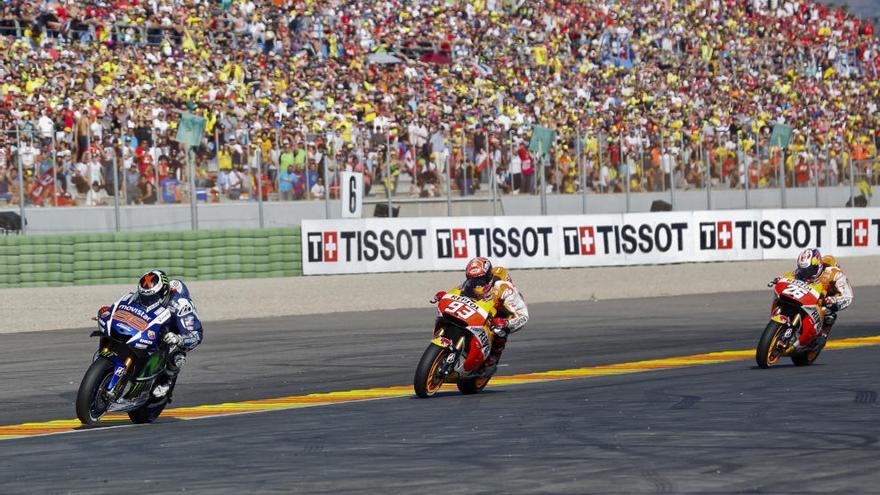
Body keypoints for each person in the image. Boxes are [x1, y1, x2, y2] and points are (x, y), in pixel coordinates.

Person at [97, 270, 203, 399]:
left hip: (172, 330)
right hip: (149, 324)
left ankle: (167, 379)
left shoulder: (180, 305)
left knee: (176, 354)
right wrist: (108, 313)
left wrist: (179, 338)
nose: (147, 300)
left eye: (151, 298)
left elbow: (196, 334)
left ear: (163, 293)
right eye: (144, 297)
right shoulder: (138, 296)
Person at [432, 257, 529, 374]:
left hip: (499, 316)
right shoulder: (469, 284)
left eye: (480, 279)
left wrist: (506, 323)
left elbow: (523, 316)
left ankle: (490, 362)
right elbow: (458, 292)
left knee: (500, 332)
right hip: (476, 311)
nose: (476, 282)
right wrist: (445, 295)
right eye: (472, 279)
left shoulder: (504, 289)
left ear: (488, 276)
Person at [769, 248, 854, 349]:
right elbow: (791, 275)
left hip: (823, 299)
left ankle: (822, 335)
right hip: (803, 296)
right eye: (803, 270)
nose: (806, 272)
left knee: (828, 311)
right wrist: (781, 279)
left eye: (809, 270)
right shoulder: (801, 271)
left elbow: (848, 295)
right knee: (782, 297)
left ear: (818, 265)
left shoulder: (834, 274)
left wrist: (835, 300)